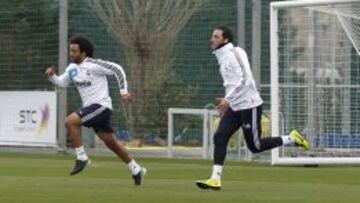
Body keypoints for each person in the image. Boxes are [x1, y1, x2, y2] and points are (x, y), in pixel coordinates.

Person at [195, 25, 309, 190]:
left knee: (255, 147)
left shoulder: (236, 53)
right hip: (234, 107)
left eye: (216, 36)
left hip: (250, 106)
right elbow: (232, 83)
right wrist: (228, 100)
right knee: (219, 137)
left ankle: (291, 138)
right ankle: (215, 178)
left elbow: (245, 80)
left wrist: (228, 99)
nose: (212, 39)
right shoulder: (221, 56)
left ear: (225, 39)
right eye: (213, 36)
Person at [45, 36, 146, 185]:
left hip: (101, 106)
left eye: (74, 51)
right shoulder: (72, 69)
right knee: (112, 143)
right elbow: (61, 83)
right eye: (70, 50)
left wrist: (124, 91)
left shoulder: (94, 65)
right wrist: (52, 76)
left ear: (84, 53)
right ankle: (136, 169)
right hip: (91, 109)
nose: (71, 53)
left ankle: (82, 157)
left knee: (70, 121)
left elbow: (117, 69)